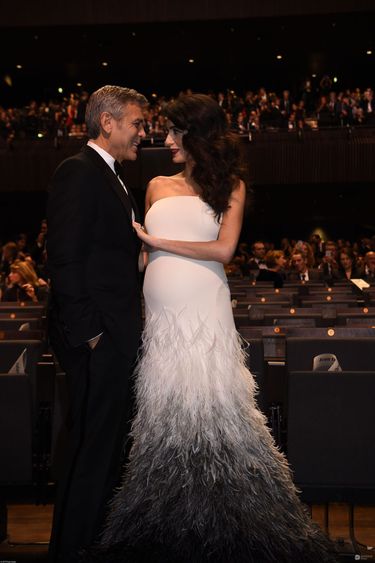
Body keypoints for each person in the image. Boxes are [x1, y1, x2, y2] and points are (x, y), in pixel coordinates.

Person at [84, 94, 336, 563]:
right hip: (159, 318)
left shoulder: (231, 186)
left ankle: (236, 527)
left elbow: (223, 251)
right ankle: (167, 523)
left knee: (214, 412)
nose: (165, 140)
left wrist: (156, 241)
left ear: (197, 135)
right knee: (166, 418)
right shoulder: (156, 184)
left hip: (205, 309)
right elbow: (139, 256)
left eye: (176, 132)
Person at [47, 85, 147, 562]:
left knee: (105, 447)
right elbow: (64, 258)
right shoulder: (79, 171)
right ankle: (71, 549)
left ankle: (93, 544)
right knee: (89, 449)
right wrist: (89, 333)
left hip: (113, 335)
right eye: (136, 124)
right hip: (96, 337)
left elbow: (108, 256)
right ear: (107, 123)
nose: (141, 134)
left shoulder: (114, 177)